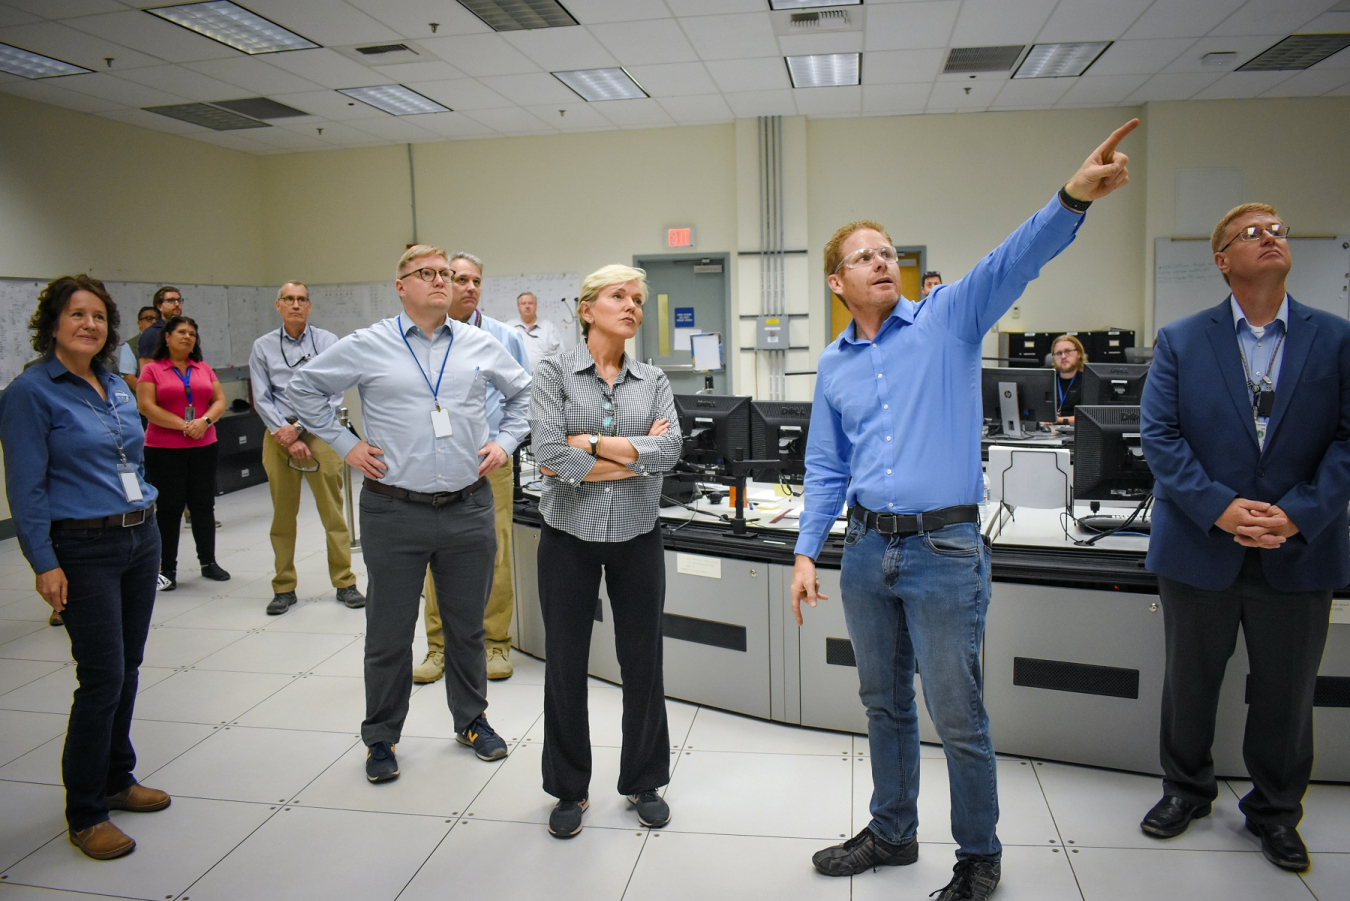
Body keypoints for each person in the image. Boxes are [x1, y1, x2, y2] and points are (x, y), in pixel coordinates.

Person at [791, 119, 1137, 901]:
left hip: (944, 550)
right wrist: (808, 549)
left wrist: (1071, 198)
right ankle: (892, 831)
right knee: (882, 703)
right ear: (836, 282)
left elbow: (1014, 258)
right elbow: (824, 463)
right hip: (865, 552)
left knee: (958, 711)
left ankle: (979, 855)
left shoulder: (948, 318)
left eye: (888, 252)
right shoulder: (834, 364)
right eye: (863, 255)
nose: (882, 261)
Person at [1137, 203, 1350, 873]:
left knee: (1288, 692)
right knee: (1191, 681)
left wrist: (1298, 513)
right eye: (1253, 233)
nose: (1272, 238)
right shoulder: (1181, 339)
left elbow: (1347, 440)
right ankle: (1187, 789)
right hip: (1202, 543)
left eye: (1280, 229)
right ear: (1223, 259)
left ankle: (1275, 810)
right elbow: (1160, 437)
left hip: (1299, 547)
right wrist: (1221, 508)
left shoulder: (1336, 339)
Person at [288, 244, 531, 784]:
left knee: (466, 628)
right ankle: (381, 737)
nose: (442, 281)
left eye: (446, 273)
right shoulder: (368, 344)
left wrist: (507, 440)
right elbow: (303, 388)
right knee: (389, 631)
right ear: (401, 286)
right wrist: (343, 442)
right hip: (395, 509)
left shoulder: (476, 343)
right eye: (427, 274)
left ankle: (472, 721)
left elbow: (525, 395)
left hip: (468, 506)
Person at [0, 275, 169, 861]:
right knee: (101, 678)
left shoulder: (116, 386)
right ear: (52, 325)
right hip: (83, 548)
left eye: (98, 317)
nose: (89, 325)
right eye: (77, 315)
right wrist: (43, 563)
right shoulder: (30, 393)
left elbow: (132, 455)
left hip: (138, 538)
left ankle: (119, 778)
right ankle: (86, 810)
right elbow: (25, 488)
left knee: (130, 667)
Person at [529, 264, 683, 839]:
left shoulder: (653, 379)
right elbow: (547, 457)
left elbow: (670, 453)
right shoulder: (554, 373)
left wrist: (591, 445)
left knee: (643, 662)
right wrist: (631, 459)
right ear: (588, 309)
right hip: (567, 538)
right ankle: (569, 789)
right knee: (565, 664)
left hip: (638, 537)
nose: (632, 307)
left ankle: (644, 780)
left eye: (638, 299)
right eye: (619, 296)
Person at [413, 253, 528, 684]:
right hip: (436, 461)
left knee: (494, 552)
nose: (469, 287)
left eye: (476, 280)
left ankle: (496, 643)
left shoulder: (501, 336)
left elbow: (525, 397)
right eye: (460, 279)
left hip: (489, 462)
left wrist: (505, 445)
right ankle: (439, 647)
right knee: (434, 555)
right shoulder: (423, 337)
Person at [248, 281, 364, 616]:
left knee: (333, 512)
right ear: (278, 305)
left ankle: (345, 582)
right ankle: (284, 587)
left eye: (302, 300)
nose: (296, 305)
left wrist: (300, 427)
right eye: (289, 299)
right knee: (283, 516)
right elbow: (261, 395)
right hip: (278, 434)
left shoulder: (327, 342)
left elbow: (334, 391)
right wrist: (283, 432)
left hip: (321, 432)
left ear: (309, 306)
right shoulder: (263, 346)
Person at [136, 315, 231, 591]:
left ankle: (208, 562)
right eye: (181, 332)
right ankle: (167, 569)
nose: (187, 337)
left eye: (192, 333)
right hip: (164, 449)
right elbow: (146, 406)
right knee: (169, 509)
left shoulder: (202, 368)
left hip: (204, 446)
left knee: (203, 506)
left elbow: (219, 400)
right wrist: (183, 425)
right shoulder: (152, 370)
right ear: (166, 337)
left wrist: (205, 422)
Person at [508, 291, 564, 371]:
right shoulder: (509, 328)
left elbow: (561, 355)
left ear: (536, 306)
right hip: (517, 378)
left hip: (545, 378)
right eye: (523, 303)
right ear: (518, 307)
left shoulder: (548, 327)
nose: (527, 306)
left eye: (530, 303)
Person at [136, 287, 181, 367]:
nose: (177, 304)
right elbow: (147, 372)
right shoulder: (150, 334)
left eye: (179, 300)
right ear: (160, 306)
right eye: (171, 300)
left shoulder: (186, 332)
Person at [116, 305, 157, 392]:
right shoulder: (130, 345)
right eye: (149, 318)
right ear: (139, 323)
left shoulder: (167, 343)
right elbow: (129, 378)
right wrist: (150, 395)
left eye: (157, 319)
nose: (154, 322)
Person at [1049, 333, 1087, 423]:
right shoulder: (1046, 380)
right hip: (1046, 432)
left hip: (1077, 430)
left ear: (1079, 354)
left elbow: (1092, 416)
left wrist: (1059, 420)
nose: (1063, 356)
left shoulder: (1089, 381)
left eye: (1068, 351)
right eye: (1058, 353)